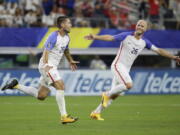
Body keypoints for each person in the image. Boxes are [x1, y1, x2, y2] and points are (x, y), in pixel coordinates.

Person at [84, 20, 180, 121]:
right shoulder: (127, 35)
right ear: (136, 26)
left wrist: (173, 57)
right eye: (138, 25)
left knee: (114, 96)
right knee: (128, 85)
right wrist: (95, 36)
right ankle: (106, 94)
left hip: (126, 70)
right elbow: (110, 37)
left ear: (145, 29)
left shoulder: (145, 42)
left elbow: (159, 50)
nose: (139, 27)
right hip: (117, 65)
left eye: (142, 26)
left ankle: (96, 112)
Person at [1, 16, 79, 124]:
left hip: (51, 66)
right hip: (47, 65)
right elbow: (46, 51)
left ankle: (16, 85)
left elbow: (66, 50)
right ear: (62, 25)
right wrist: (47, 65)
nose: (71, 25)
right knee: (61, 86)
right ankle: (64, 116)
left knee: (41, 95)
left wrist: (70, 60)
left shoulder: (67, 38)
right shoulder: (53, 36)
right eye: (69, 23)